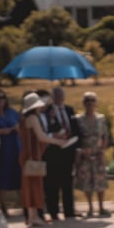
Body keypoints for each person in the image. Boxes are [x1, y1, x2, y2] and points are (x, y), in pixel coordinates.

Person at [19, 92, 62, 227]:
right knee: (33, 185)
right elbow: (41, 136)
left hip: (28, 155)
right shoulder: (33, 118)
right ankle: (34, 216)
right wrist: (58, 141)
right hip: (33, 156)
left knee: (30, 185)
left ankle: (33, 216)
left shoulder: (24, 119)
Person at [43, 85, 80, 220]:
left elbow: (75, 128)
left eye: (61, 95)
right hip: (53, 153)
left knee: (67, 183)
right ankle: (53, 212)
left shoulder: (69, 110)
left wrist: (76, 146)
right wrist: (52, 119)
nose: (59, 98)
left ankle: (69, 211)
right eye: (57, 96)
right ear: (53, 97)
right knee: (52, 183)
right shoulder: (47, 112)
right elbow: (46, 130)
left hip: (68, 151)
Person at [73, 91, 111, 218]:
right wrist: (83, 152)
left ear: (96, 103)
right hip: (85, 154)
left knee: (100, 181)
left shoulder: (101, 119)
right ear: (84, 103)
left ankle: (101, 207)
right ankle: (90, 207)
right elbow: (77, 137)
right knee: (87, 182)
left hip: (98, 154)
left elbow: (105, 136)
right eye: (87, 101)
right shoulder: (79, 119)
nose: (90, 103)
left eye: (92, 100)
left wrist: (101, 150)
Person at [0, 90, 21, 218]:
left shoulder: (12, 112)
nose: (1, 100)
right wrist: (2, 131)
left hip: (14, 148)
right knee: (2, 178)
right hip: (1, 150)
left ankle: (25, 205)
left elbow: (20, 125)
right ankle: (4, 207)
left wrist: (14, 128)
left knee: (18, 177)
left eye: (3, 98)